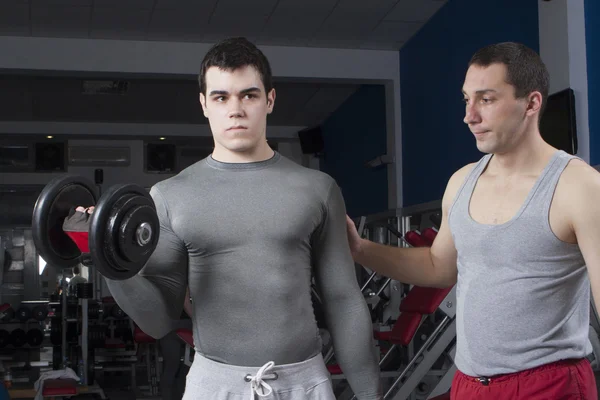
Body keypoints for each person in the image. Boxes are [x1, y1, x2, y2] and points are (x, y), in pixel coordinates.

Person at [81, 37, 381, 399]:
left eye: (249, 95)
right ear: (205, 104)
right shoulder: (170, 195)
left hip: (303, 383)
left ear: (269, 100)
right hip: (214, 385)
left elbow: (343, 299)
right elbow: (159, 320)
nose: (235, 109)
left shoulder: (317, 189)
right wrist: (111, 261)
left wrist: (369, 395)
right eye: (222, 97)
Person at [345, 42, 600, 399]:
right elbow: (438, 266)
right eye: (467, 99)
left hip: (549, 385)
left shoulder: (578, 186)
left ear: (531, 103)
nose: (470, 115)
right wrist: (359, 249)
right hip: (469, 383)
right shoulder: (462, 181)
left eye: (487, 99)